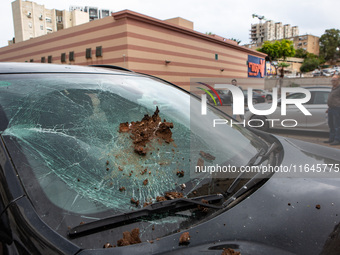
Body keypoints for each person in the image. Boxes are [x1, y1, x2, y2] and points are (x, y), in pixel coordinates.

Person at [324, 75, 340, 145]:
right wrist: (328, 108)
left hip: (337, 109)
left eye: (334, 80)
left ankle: (337, 140)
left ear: (338, 81)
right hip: (331, 108)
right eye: (332, 80)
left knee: (337, 125)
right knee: (331, 125)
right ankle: (331, 138)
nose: (332, 82)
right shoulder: (333, 88)